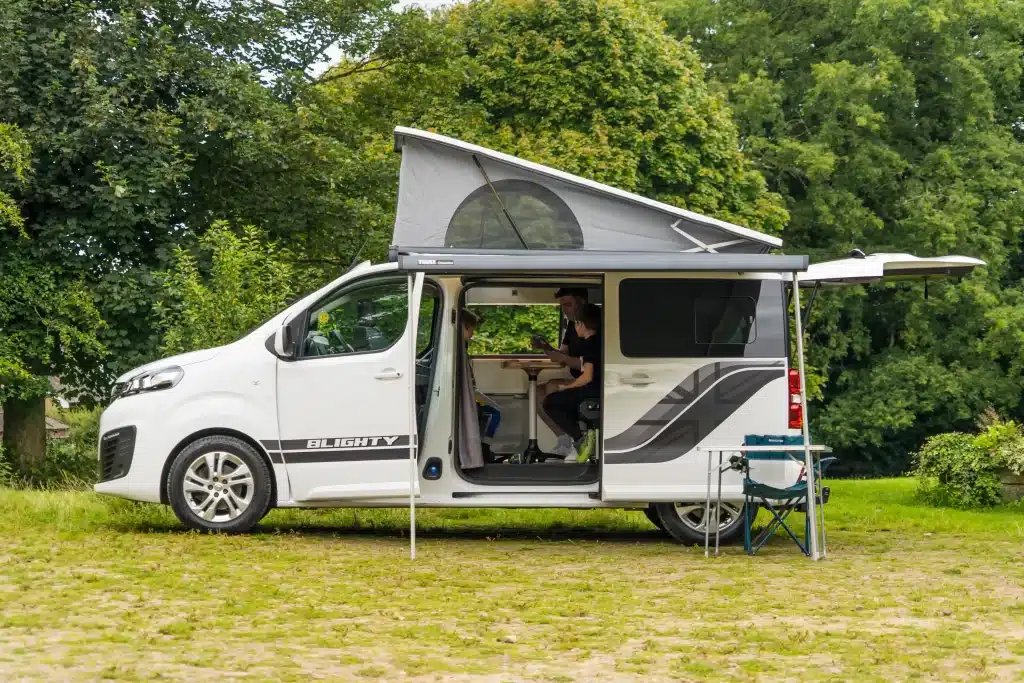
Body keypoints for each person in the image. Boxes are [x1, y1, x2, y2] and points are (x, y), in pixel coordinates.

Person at [531, 287, 592, 457]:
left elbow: (589, 362)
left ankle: (577, 439)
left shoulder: (593, 324)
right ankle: (564, 439)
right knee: (536, 391)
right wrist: (545, 347)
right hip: (577, 377)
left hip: (592, 381)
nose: (564, 310)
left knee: (552, 386)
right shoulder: (572, 325)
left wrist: (564, 359)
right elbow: (562, 353)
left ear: (582, 303)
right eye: (562, 306)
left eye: (568, 304)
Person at [540, 303, 601, 462]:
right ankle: (582, 438)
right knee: (564, 399)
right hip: (596, 388)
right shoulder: (598, 341)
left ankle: (580, 439)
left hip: (593, 389)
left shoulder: (589, 344)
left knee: (550, 402)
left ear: (580, 324)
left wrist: (566, 387)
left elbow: (587, 377)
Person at [461, 309, 501, 456]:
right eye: (471, 330)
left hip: (471, 390)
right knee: (494, 412)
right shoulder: (458, 349)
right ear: (464, 327)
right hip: (470, 391)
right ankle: (484, 447)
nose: (472, 334)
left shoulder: (459, 347)